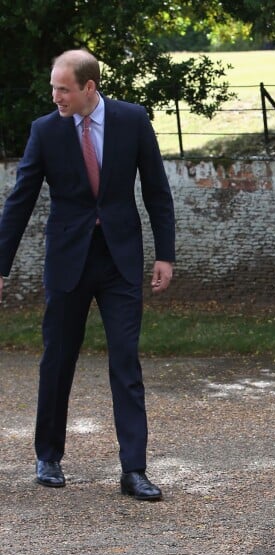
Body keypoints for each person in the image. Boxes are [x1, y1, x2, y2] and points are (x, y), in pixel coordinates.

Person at [0, 49, 176, 501]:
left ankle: (133, 470)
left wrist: (165, 254)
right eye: (54, 88)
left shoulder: (132, 121)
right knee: (57, 360)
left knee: (125, 362)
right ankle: (48, 456)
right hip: (67, 262)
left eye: (63, 88)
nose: (55, 96)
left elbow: (157, 189)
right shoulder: (45, 131)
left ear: (88, 87)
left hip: (119, 261)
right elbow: (20, 201)